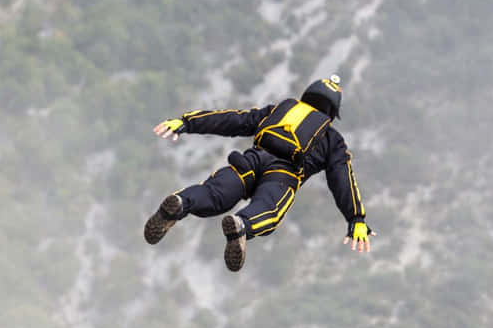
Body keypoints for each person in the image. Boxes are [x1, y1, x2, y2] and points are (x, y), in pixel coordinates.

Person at [143, 75, 374, 272]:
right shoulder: (332, 139)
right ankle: (242, 225)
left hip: (251, 161)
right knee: (269, 210)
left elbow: (233, 119)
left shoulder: (278, 110)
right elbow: (342, 179)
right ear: (331, 113)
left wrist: (187, 122)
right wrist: (356, 218)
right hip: (283, 175)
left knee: (214, 194)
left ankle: (181, 202)